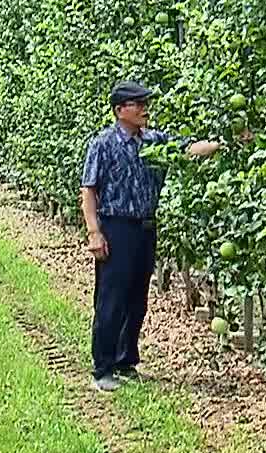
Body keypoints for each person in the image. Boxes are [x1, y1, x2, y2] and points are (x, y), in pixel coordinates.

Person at [79, 80, 223, 392]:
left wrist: (221, 143)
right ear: (120, 110)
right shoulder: (103, 144)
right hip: (116, 226)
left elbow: (188, 150)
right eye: (137, 103)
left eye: (145, 103)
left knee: (137, 299)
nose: (144, 108)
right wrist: (94, 232)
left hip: (145, 227)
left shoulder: (155, 142)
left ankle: (126, 360)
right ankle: (103, 368)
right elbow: (89, 190)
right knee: (111, 300)